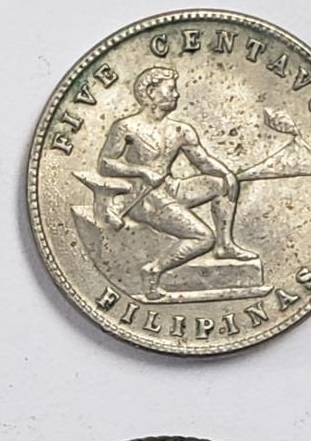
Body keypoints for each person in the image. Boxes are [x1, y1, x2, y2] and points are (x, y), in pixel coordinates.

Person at [98, 66, 255, 299]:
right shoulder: (127, 127)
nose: (176, 94)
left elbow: (203, 161)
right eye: (170, 89)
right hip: (145, 197)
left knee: (222, 184)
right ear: (151, 92)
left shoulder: (180, 130)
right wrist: (141, 171)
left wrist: (226, 173)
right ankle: (153, 271)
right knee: (203, 237)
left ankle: (225, 245)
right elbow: (105, 164)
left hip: (171, 188)